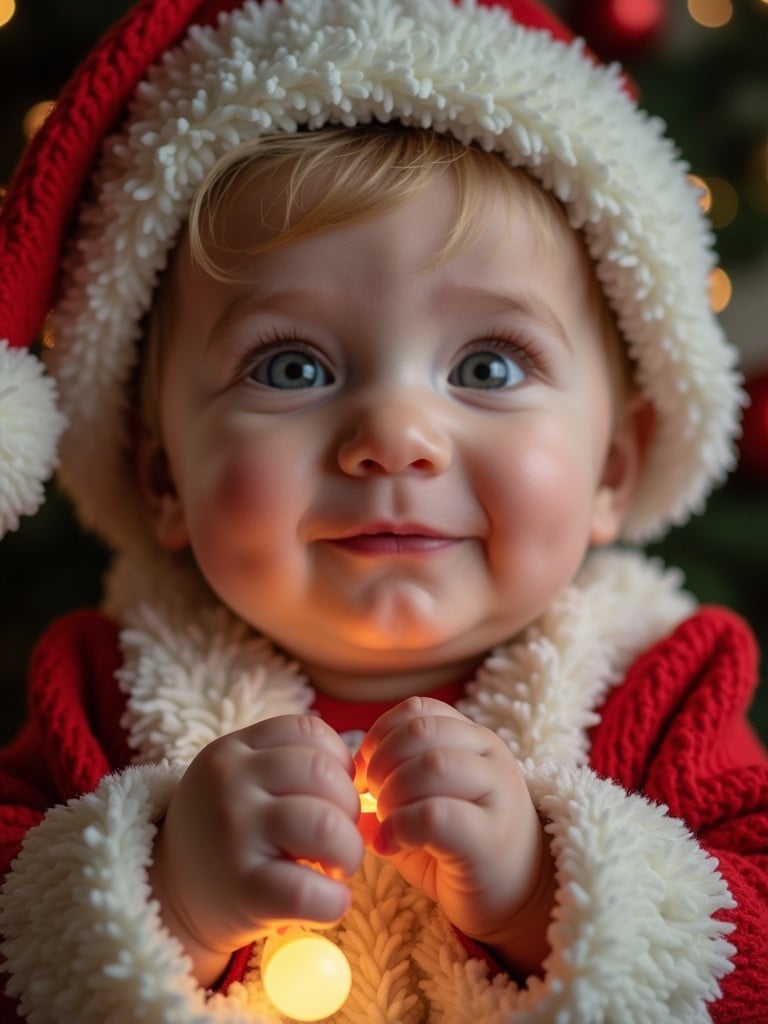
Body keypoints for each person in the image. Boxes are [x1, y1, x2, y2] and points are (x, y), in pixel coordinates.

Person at [0, 0, 766, 1020]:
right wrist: (159, 892)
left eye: (488, 364)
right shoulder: (101, 694)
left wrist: (553, 890)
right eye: (291, 364)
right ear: (163, 479)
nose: (396, 433)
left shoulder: (660, 691)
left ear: (614, 467)